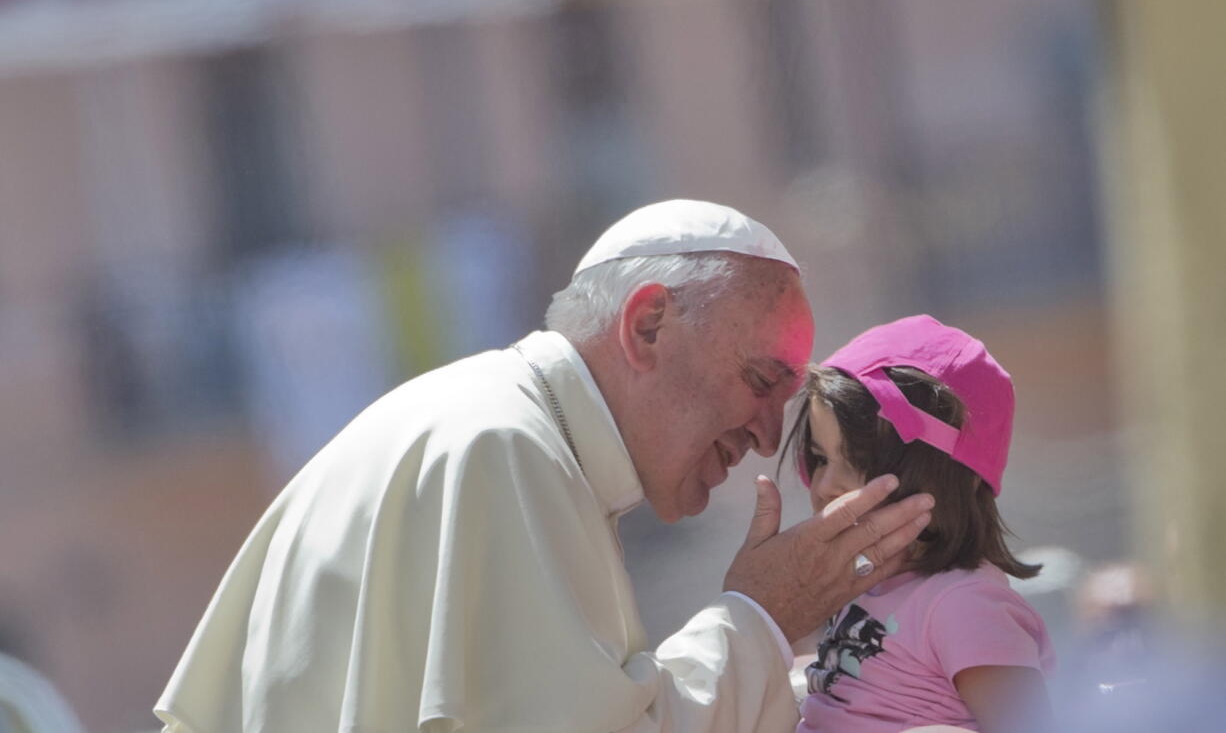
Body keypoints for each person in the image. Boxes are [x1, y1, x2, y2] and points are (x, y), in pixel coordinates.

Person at [154, 199, 934, 733]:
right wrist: (762, 617)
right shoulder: (501, 448)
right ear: (649, 323)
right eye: (762, 381)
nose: (768, 437)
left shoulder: (510, 435)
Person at [788, 314, 1056, 733]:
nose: (824, 486)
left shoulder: (964, 604)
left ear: (946, 477)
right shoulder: (867, 584)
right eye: (820, 458)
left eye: (859, 462)